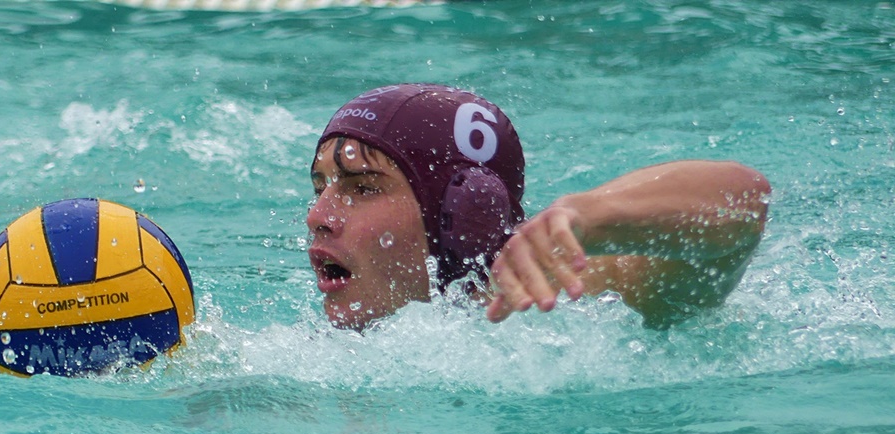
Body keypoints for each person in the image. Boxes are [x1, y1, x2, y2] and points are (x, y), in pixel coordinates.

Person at [306, 84, 771, 330]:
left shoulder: (581, 303)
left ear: (462, 216)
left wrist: (588, 217)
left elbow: (744, 199)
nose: (318, 217)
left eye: (362, 189)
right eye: (320, 188)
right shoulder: (329, 350)